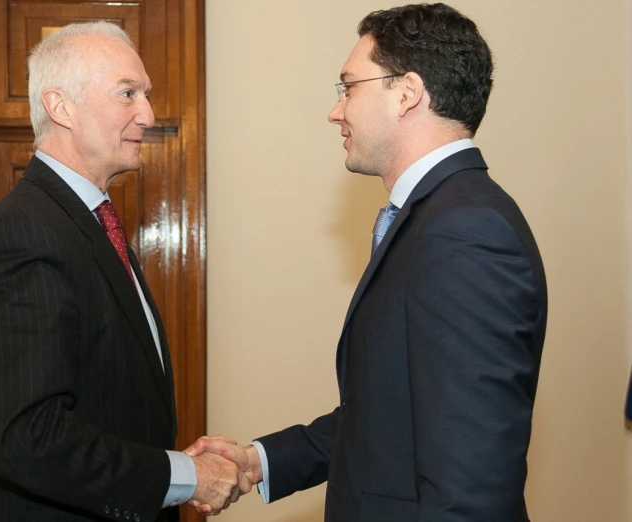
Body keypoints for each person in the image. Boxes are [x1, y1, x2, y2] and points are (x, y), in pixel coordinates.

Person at [187, 4, 548, 521]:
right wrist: (260, 460)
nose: (336, 111)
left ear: (407, 93)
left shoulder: (466, 232)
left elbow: (472, 487)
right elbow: (389, 416)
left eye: (349, 86)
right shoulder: (437, 217)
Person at [0, 21, 249, 522]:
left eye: (147, 94)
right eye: (127, 94)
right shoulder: (27, 232)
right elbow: (30, 438)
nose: (149, 114)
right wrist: (184, 476)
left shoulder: (87, 220)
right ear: (60, 107)